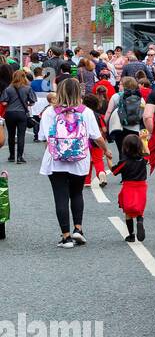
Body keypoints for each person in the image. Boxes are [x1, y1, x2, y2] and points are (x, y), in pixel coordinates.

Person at [38, 78, 113, 248]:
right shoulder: (85, 111)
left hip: (55, 160)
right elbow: (97, 137)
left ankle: (66, 237)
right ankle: (78, 229)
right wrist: (106, 151)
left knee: (61, 197)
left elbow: (44, 138)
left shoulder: (50, 112)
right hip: (80, 160)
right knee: (77, 194)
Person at [112, 132, 149, 242]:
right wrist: (143, 139)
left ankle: (131, 235)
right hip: (142, 186)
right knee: (139, 208)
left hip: (129, 186)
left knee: (128, 211)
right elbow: (147, 152)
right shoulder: (143, 159)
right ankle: (140, 221)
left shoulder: (124, 161)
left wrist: (109, 160)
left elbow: (114, 171)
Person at [2, 69, 36, 163]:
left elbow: (4, 102)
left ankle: (12, 155)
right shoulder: (27, 88)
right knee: (21, 135)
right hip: (22, 113)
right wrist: (26, 104)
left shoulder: (8, 89)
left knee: (11, 135)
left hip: (10, 113)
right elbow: (32, 102)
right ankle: (20, 157)